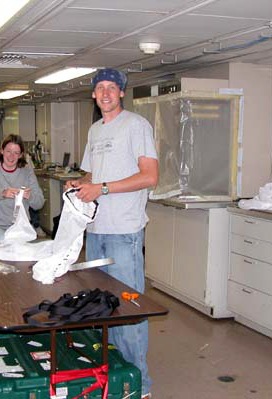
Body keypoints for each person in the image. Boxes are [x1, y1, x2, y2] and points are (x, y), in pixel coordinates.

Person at [65, 68, 159, 399]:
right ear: (93, 94)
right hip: (96, 230)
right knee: (101, 309)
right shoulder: (94, 130)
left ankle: (140, 386)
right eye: (100, 88)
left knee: (128, 311)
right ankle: (114, 377)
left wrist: (101, 188)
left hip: (123, 231)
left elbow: (149, 177)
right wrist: (82, 184)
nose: (105, 93)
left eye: (112, 88)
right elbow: (93, 172)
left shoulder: (136, 126)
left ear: (121, 92)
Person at [0, 134, 45, 244]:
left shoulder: (27, 172)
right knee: (5, 242)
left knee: (26, 251)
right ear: (2, 151)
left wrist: (29, 196)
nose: (11, 156)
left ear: (20, 155)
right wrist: (3, 193)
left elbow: (39, 203)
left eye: (16, 153)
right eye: (8, 151)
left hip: (20, 227)